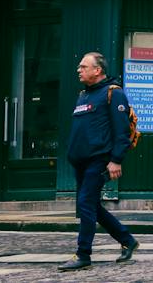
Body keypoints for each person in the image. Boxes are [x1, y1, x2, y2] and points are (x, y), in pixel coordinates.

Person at [59, 52, 138, 271]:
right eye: (79, 67)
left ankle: (83, 254)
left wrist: (116, 160)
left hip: (99, 160)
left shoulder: (114, 94)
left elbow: (121, 131)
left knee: (85, 204)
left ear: (98, 70)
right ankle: (128, 240)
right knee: (90, 205)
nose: (79, 70)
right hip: (80, 162)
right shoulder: (83, 95)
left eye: (83, 66)